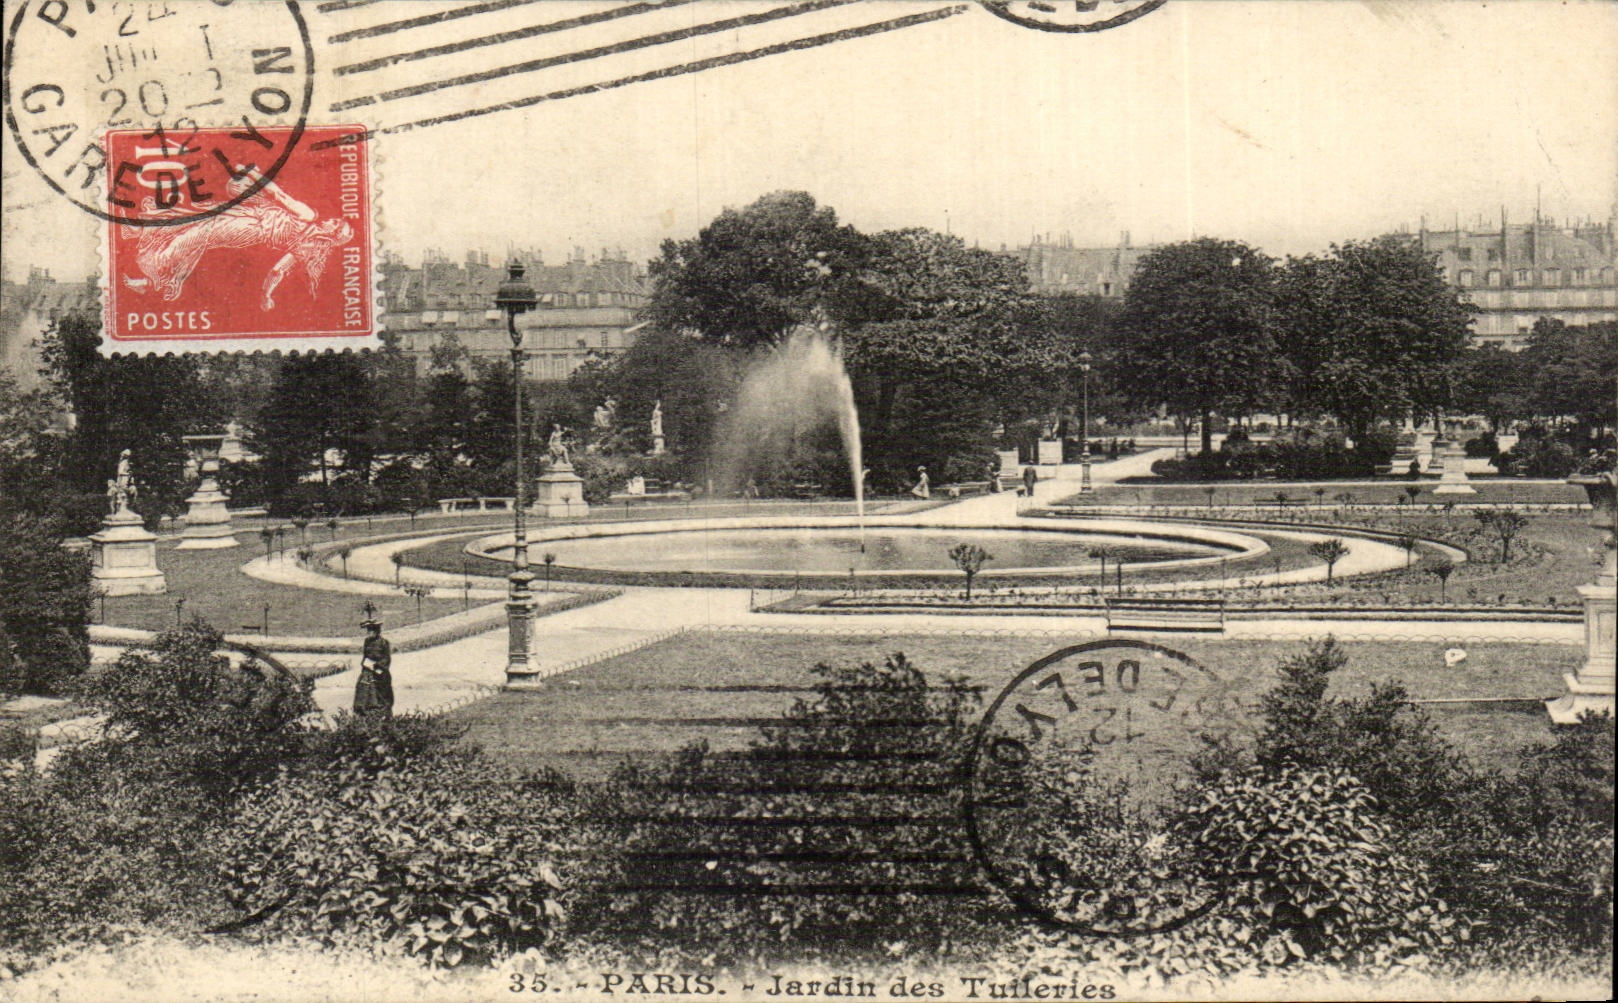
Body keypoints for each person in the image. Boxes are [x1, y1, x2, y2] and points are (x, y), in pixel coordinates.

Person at [353, 616, 393, 718]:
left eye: (371, 630)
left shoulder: (384, 642)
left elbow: (386, 659)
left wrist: (377, 665)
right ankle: (364, 715)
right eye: (368, 630)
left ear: (376, 631)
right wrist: (365, 664)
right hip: (367, 671)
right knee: (363, 692)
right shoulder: (367, 641)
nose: (369, 633)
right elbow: (365, 656)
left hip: (380, 672)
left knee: (381, 696)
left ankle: (383, 715)